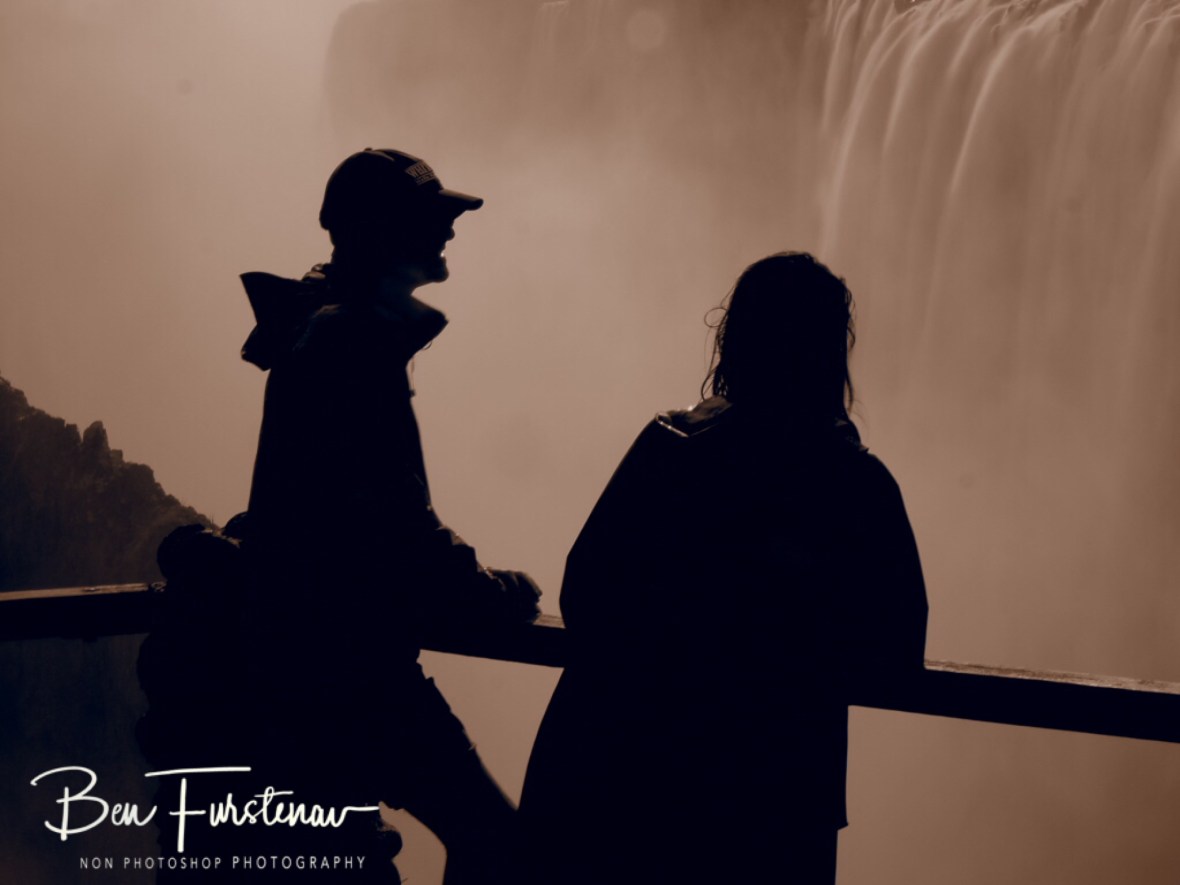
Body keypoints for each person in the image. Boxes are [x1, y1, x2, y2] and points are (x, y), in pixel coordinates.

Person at [519, 252, 928, 884]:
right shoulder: (858, 484)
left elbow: (587, 590)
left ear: (734, 338)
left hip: (621, 766)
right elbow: (897, 648)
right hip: (775, 793)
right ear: (830, 351)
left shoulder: (669, 447)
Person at [233, 148, 541, 883]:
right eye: (431, 220)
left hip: (300, 660)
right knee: (500, 845)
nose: (449, 232)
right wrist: (493, 593)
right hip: (350, 672)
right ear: (382, 232)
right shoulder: (351, 344)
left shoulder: (320, 328)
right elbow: (396, 525)